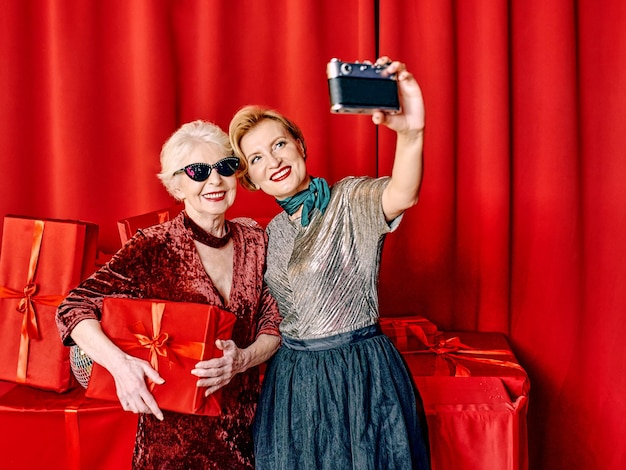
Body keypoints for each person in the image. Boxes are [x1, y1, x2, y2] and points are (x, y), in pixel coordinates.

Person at [229, 57, 430, 469]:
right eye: (257, 158)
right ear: (251, 178)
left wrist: (411, 136)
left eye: (279, 144)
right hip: (291, 384)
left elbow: (402, 194)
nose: (274, 161)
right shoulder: (270, 234)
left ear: (300, 146)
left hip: (360, 375)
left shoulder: (350, 199)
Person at [56, 120, 282, 469]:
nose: (214, 180)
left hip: (249, 437)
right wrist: (121, 367)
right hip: (172, 446)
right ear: (177, 185)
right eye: (197, 171)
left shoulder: (256, 242)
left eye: (224, 167)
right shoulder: (154, 243)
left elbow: (273, 324)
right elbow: (73, 307)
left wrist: (243, 359)